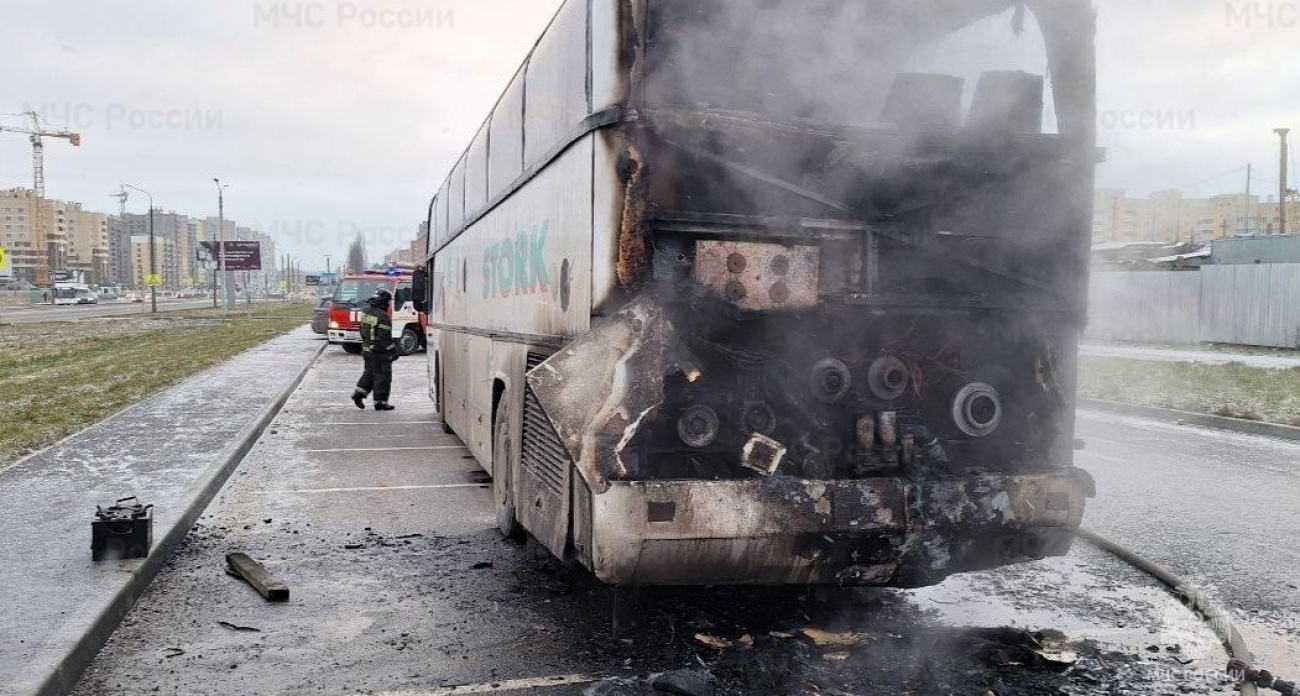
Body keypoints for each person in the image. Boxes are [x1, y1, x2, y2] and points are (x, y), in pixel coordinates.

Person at [352, 288, 399, 411]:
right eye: (388, 302)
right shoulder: (383, 316)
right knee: (383, 376)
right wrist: (393, 351)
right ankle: (380, 402)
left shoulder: (367, 312)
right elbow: (385, 338)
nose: (389, 304)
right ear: (383, 302)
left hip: (367, 350)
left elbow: (362, 331)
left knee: (369, 374)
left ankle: (359, 394)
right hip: (380, 352)